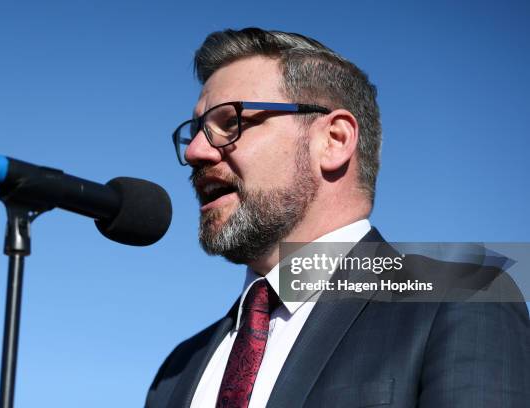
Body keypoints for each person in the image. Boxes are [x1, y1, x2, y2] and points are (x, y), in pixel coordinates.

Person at [146, 27, 529, 408]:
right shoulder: (178, 370)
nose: (197, 151)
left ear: (335, 140)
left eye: (230, 123)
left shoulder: (465, 299)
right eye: (195, 132)